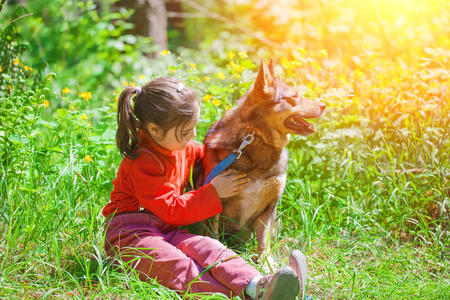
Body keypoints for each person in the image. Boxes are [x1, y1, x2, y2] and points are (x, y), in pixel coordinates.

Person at [102, 76, 308, 299]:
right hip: (131, 234)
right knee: (179, 266)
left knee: (209, 248)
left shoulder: (180, 146)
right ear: (153, 128)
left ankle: (260, 282)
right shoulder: (142, 162)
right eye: (184, 132)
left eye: (194, 128)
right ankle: (252, 295)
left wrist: (236, 153)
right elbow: (171, 209)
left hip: (168, 230)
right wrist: (215, 192)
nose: (192, 136)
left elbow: (206, 157)